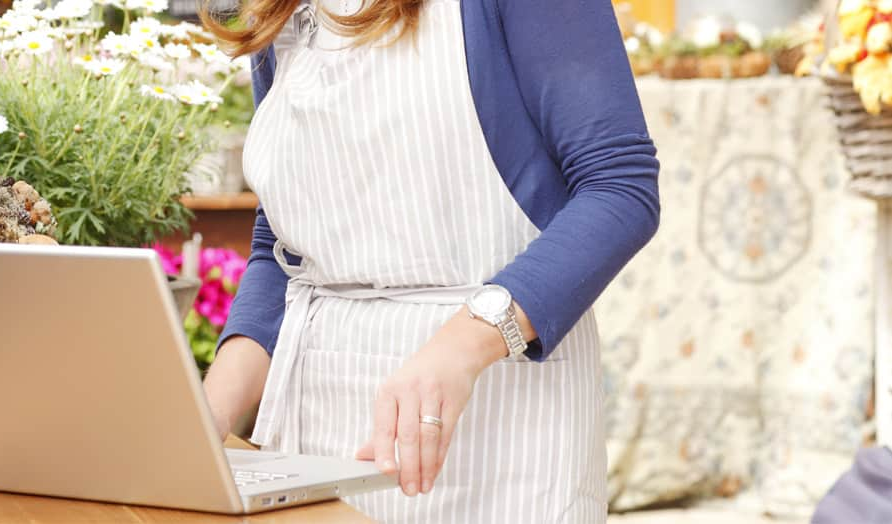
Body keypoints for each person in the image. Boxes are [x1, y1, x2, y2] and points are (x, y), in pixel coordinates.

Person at [201, 0, 660, 522]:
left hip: (499, 418)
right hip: (314, 435)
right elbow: (283, 246)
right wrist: (206, 412)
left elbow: (620, 187)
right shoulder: (279, 9)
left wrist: (460, 348)